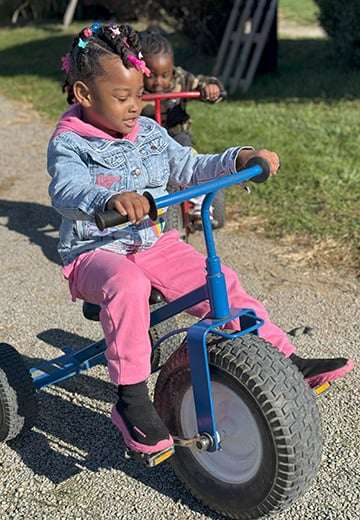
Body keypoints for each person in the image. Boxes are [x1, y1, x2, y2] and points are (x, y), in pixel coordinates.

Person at [48, 22, 354, 457]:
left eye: (139, 94)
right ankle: (131, 399)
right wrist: (111, 197)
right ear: (83, 94)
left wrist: (239, 159)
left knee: (219, 281)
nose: (136, 106)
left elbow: (191, 166)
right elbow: (65, 190)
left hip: (151, 243)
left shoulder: (150, 133)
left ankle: (284, 360)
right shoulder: (70, 143)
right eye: (122, 98)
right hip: (95, 252)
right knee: (127, 286)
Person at [139, 28, 225, 227]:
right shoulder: (135, 87)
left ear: (172, 69)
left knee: (188, 155)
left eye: (165, 75)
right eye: (151, 75)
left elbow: (202, 83)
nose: (159, 82)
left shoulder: (181, 79)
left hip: (177, 135)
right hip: (146, 141)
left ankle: (198, 202)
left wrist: (210, 88)